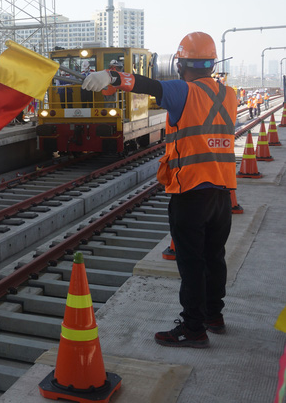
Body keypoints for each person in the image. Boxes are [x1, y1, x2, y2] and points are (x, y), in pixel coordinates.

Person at [83, 31, 236, 348]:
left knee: (191, 262)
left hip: (190, 193)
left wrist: (112, 76)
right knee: (214, 257)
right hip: (222, 193)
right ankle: (213, 316)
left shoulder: (184, 91)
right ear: (211, 64)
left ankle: (193, 329)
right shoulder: (229, 94)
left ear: (181, 64)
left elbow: (147, 85)